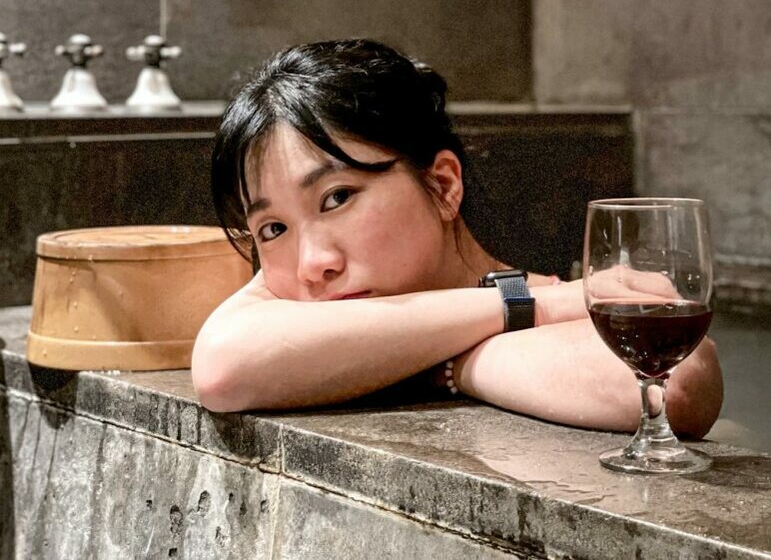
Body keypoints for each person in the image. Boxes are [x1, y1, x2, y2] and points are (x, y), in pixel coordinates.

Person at [191, 38, 723, 436]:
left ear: (443, 186)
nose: (312, 263)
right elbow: (222, 365)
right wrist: (528, 306)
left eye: (337, 197)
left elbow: (676, 385)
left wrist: (425, 361)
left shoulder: (558, 305)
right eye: (274, 229)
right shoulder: (552, 303)